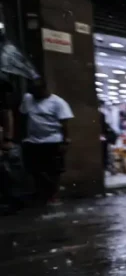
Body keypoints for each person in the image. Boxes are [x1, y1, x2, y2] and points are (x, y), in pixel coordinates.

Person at [20, 77, 73, 205]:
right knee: (34, 169)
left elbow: (64, 123)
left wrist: (65, 141)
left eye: (37, 91)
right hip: (33, 141)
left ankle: (53, 195)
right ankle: (42, 193)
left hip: (52, 140)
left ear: (44, 89)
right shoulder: (28, 98)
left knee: (54, 170)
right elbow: (23, 115)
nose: (34, 94)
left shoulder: (58, 102)